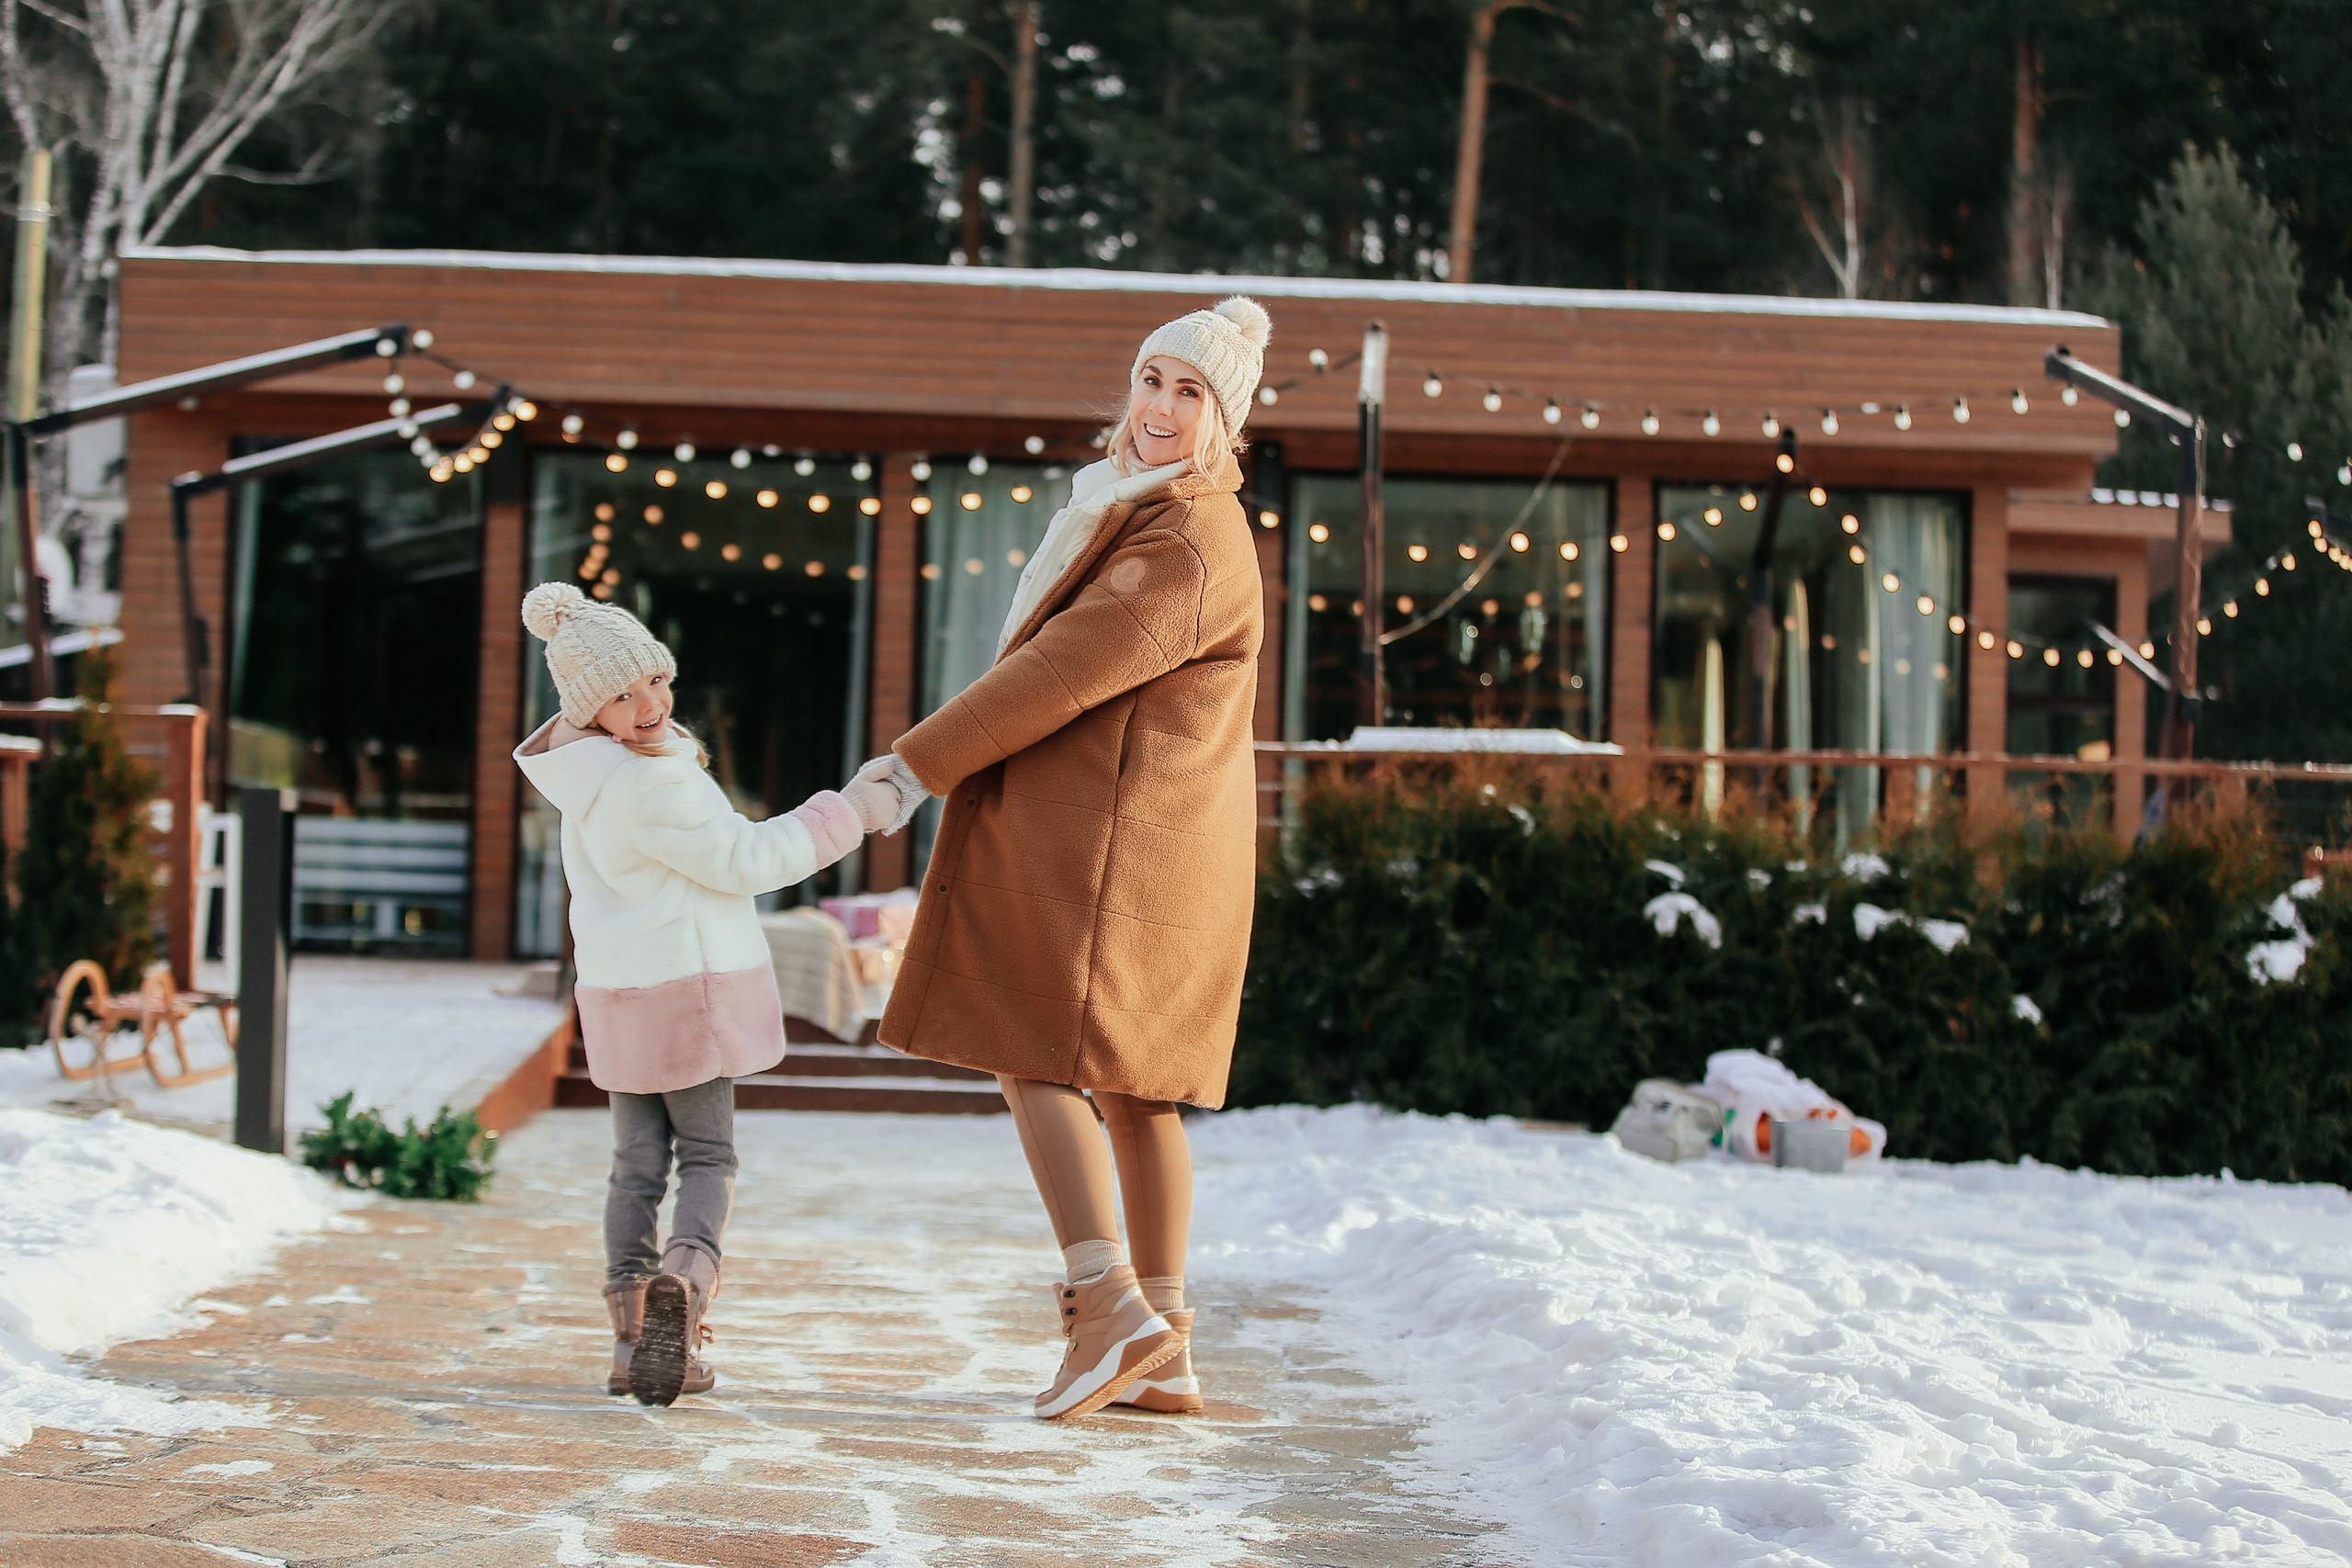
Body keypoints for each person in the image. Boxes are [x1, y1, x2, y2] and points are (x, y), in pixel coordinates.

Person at [859, 296, 1272, 1418]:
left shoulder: (1183, 535)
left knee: (1029, 1050)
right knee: (1137, 1094)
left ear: (1222, 419)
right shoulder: (1150, 512)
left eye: (1192, 393)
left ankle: (1108, 1311)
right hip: (1138, 845)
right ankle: (1167, 1344)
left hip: (1105, 846)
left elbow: (1054, 677)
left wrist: (908, 769)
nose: (1161, 407)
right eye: (1152, 379)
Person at [514, 582, 897, 1405]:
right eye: (622, 693)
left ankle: (628, 1341)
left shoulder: (588, 780)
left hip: (620, 995)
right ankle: (683, 1294)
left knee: (634, 1165)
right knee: (709, 1155)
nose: (649, 702)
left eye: (655, 678)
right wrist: (852, 813)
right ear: (593, 709)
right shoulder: (652, 783)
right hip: (688, 993)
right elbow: (748, 861)